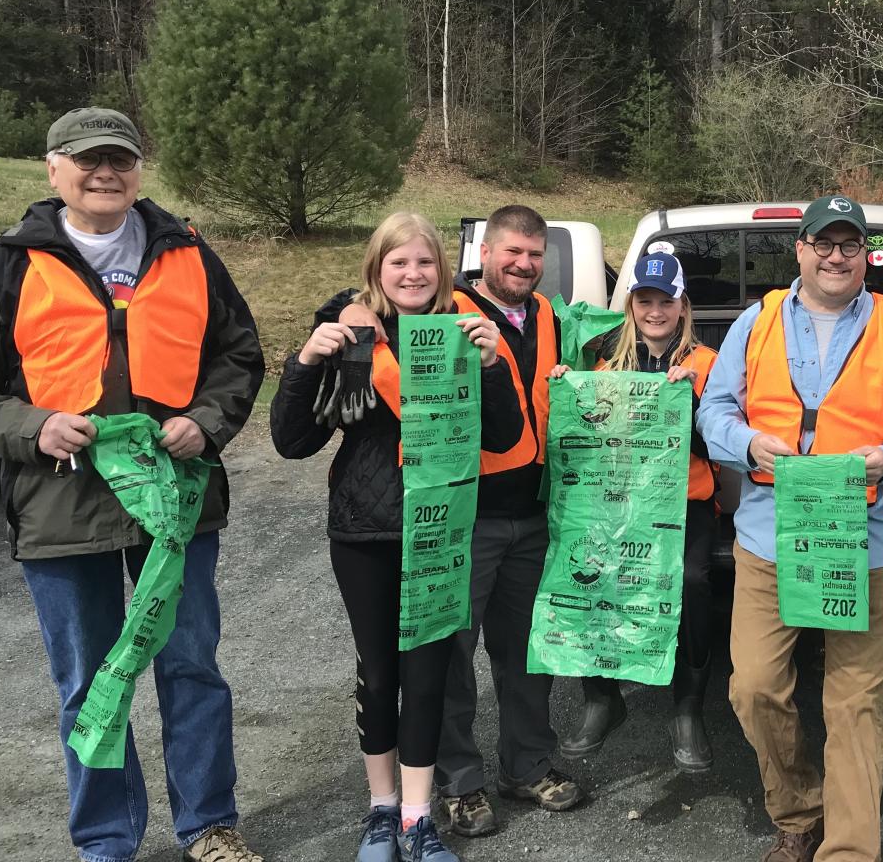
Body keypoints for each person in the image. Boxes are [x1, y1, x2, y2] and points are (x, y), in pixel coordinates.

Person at [0, 108, 266, 862]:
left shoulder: (189, 251)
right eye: (88, 160)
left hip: (176, 501)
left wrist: (206, 421)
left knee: (191, 664)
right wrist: (32, 427)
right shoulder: (7, 263)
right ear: (53, 169)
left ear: (140, 170)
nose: (105, 173)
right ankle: (106, 839)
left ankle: (209, 824)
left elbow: (239, 355)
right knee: (85, 681)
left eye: (120, 160)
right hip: (60, 507)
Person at [699, 195, 883, 862]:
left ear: (865, 255)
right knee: (753, 687)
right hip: (768, 537)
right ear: (801, 250)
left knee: (855, 704)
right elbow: (714, 410)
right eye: (824, 242)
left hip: (864, 543)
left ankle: (847, 850)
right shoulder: (755, 322)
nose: (836, 255)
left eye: (849, 245)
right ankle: (797, 808)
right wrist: (749, 444)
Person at [272, 212, 526, 862]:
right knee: (380, 672)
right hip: (364, 530)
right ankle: (381, 811)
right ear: (376, 270)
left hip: (439, 529)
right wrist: (306, 360)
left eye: (424, 263)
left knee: (430, 673)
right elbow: (291, 441)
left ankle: (419, 818)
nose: (412, 274)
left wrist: (494, 364)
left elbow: (501, 438)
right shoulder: (349, 329)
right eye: (398, 263)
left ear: (441, 270)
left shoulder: (466, 332)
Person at [338, 204, 583, 838]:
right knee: (448, 653)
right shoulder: (449, 310)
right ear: (484, 254)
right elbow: (374, 298)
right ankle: (458, 782)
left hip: (532, 510)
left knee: (525, 653)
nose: (524, 264)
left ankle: (527, 764)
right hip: (463, 511)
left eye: (534, 254)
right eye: (512, 252)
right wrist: (350, 312)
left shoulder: (550, 315)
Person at [552, 252, 720, 773]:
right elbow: (586, 436)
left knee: (691, 580)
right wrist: (567, 388)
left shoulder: (707, 363)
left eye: (664, 300)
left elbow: (719, 445)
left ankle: (688, 705)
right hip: (618, 504)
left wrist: (687, 406)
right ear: (631, 306)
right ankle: (602, 696)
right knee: (587, 573)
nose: (654, 310)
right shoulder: (604, 363)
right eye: (644, 301)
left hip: (685, 503)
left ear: (682, 304)